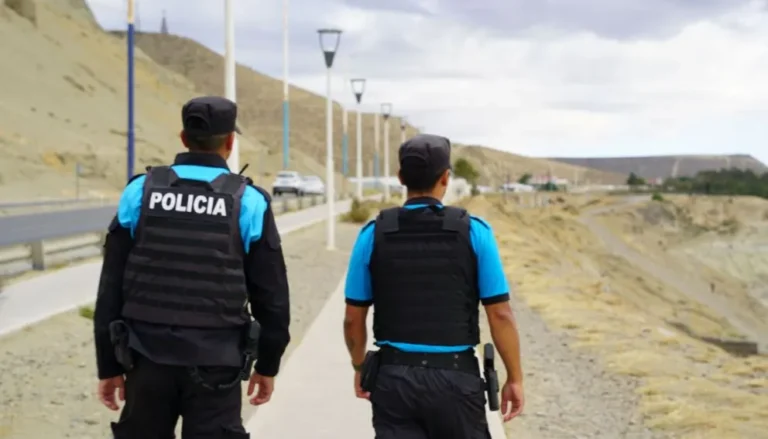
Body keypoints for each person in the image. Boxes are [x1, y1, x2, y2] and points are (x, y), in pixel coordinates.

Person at [93, 96, 290, 439]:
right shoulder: (249, 202)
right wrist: (268, 364)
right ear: (230, 143)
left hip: (145, 359)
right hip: (217, 365)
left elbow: (110, 286)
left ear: (183, 138)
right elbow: (271, 297)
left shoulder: (140, 191)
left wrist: (107, 366)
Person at [342, 134, 525, 439]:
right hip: (456, 379)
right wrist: (515, 378)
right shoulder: (475, 233)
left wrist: (360, 367)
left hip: (394, 380)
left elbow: (353, 318)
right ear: (445, 178)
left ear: (401, 178)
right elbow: (501, 314)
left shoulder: (373, 234)